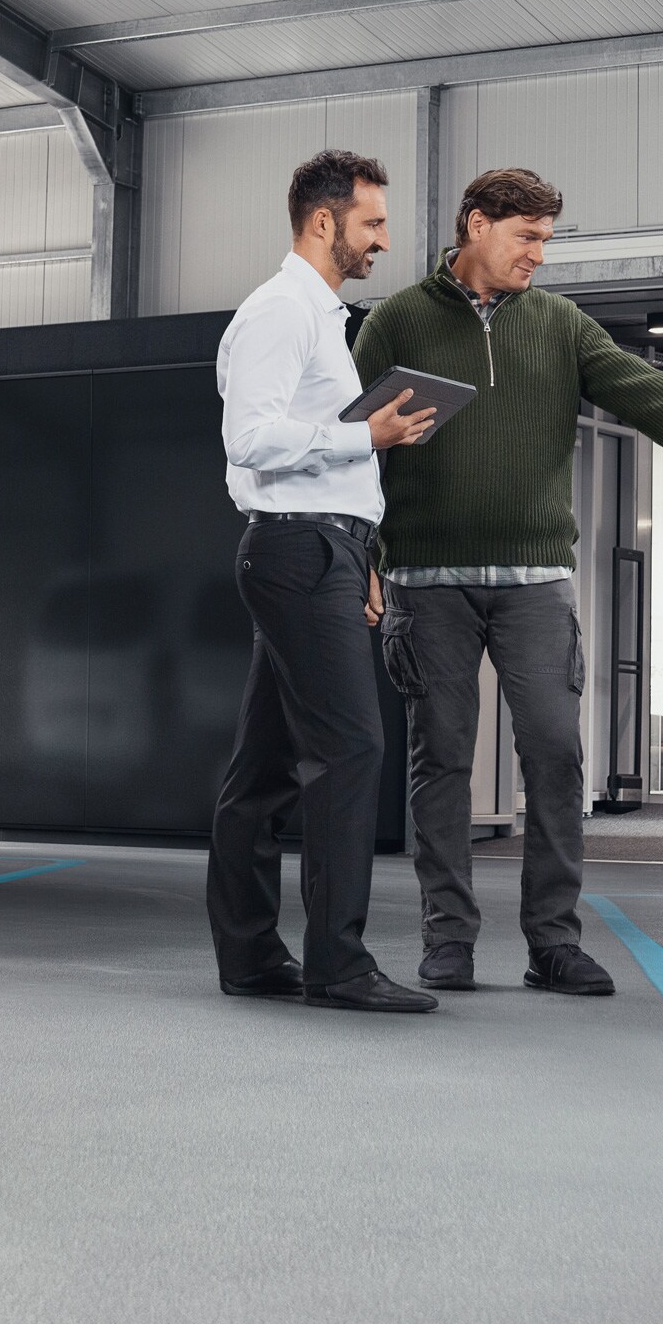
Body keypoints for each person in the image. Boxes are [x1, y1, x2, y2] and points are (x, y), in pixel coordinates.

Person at [351, 167, 663, 995]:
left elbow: (651, 394)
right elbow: (345, 446)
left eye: (546, 240)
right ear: (477, 225)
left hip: (535, 585)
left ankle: (553, 942)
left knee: (557, 755)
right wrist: (361, 557)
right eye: (526, 237)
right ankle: (447, 938)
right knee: (441, 760)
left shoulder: (559, 324)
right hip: (426, 583)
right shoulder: (397, 321)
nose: (539, 254)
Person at [206, 150, 442, 1013]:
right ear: (322, 221)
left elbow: (314, 457)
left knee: (263, 768)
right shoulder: (281, 311)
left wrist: (361, 554)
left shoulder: (320, 318)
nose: (383, 239)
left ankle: (248, 956)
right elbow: (250, 439)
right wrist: (364, 437)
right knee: (351, 749)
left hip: (322, 551)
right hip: (300, 551)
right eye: (371, 222)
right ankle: (337, 965)